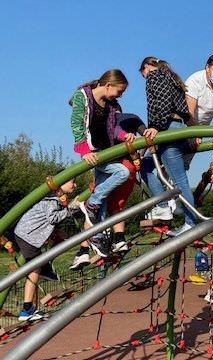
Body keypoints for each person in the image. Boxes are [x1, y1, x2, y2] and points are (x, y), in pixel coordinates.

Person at [69, 69, 134, 266]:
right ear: (108, 85)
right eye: (119, 91)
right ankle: (91, 203)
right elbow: (76, 123)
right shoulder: (83, 96)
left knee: (102, 203)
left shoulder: (112, 105)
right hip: (93, 153)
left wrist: (124, 136)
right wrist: (84, 150)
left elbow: (113, 128)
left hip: (106, 151)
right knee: (122, 172)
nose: (119, 95)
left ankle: (93, 243)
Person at [139, 57, 197, 236]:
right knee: (146, 164)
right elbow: (185, 110)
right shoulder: (172, 77)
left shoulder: (155, 75)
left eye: (143, 74)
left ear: (146, 67)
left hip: (166, 128)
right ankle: (165, 204)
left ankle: (189, 222)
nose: (145, 77)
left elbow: (161, 103)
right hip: (178, 127)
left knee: (180, 181)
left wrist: (155, 126)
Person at [14, 178, 79, 321]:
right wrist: (73, 207)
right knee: (34, 270)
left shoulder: (55, 200)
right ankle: (27, 309)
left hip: (30, 234)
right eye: (72, 182)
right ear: (61, 184)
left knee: (62, 238)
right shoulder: (52, 200)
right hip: (27, 235)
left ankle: (46, 269)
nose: (75, 185)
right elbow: (52, 218)